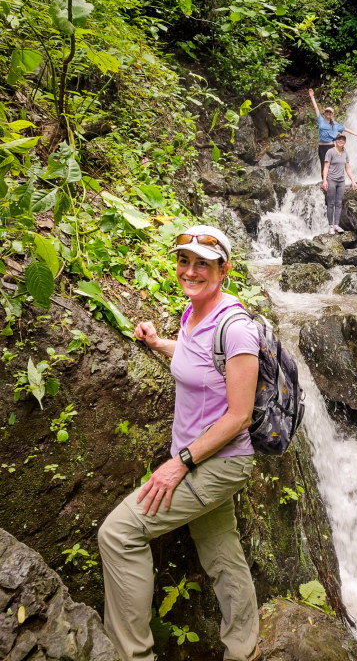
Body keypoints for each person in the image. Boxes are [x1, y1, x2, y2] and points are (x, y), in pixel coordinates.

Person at [98, 224, 263, 661]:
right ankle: (244, 649)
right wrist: (158, 343)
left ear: (223, 269)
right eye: (184, 261)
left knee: (118, 534)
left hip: (218, 462)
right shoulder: (194, 313)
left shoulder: (237, 328)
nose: (190, 271)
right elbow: (198, 359)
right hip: (198, 459)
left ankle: (133, 656)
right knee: (222, 550)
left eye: (203, 264)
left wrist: (181, 462)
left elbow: (240, 415)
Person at [308, 88, 357, 179]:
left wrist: (356, 134)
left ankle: (332, 180)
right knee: (323, 164)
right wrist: (312, 97)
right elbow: (316, 108)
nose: (328, 113)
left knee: (332, 164)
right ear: (325, 113)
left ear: (331, 114)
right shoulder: (320, 120)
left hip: (331, 146)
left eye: (330, 112)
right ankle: (324, 182)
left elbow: (345, 129)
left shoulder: (335, 124)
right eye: (327, 112)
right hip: (322, 147)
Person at [322, 132, 357, 233]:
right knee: (331, 203)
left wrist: (353, 181)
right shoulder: (330, 152)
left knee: (339, 203)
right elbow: (326, 167)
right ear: (336, 141)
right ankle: (330, 226)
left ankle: (336, 225)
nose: (341, 140)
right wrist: (324, 180)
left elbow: (347, 168)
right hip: (331, 180)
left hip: (341, 181)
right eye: (339, 139)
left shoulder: (345, 153)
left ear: (345, 141)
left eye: (343, 139)